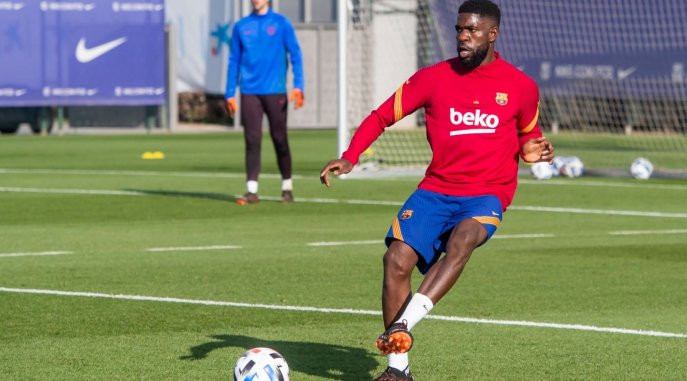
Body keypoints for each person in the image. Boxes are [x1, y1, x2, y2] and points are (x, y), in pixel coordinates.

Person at [319, 1, 554, 379]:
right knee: (396, 260)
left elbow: (532, 140)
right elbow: (381, 116)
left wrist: (537, 151)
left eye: (472, 30)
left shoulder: (521, 87)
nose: (463, 36)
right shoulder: (432, 78)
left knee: (462, 241)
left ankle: (401, 327)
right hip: (436, 190)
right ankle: (398, 370)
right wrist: (350, 156)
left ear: (492, 34)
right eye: (459, 29)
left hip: (487, 193)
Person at [225, 0, 304, 204]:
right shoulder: (241, 26)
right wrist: (229, 93)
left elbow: (295, 54)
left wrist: (298, 86)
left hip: (275, 90)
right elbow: (234, 60)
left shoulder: (281, 23)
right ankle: (251, 190)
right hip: (249, 91)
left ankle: (287, 186)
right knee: (252, 139)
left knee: (279, 138)